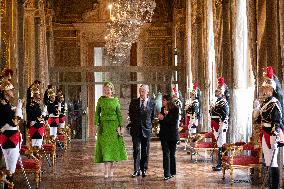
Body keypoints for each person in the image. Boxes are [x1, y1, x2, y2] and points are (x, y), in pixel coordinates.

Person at [94, 81, 127, 178]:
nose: (107, 91)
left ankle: (111, 170)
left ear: (112, 90)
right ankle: (105, 170)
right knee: (105, 149)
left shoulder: (116, 100)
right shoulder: (101, 100)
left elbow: (119, 114)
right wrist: (97, 124)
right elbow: (97, 113)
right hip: (104, 126)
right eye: (105, 90)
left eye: (108, 89)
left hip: (114, 127)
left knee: (113, 150)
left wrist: (121, 126)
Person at [255, 79, 283, 189]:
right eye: (264, 89)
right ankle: (269, 184)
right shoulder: (264, 103)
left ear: (271, 90)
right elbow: (258, 119)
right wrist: (256, 110)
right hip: (264, 132)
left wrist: (276, 135)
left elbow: (277, 121)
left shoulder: (275, 103)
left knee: (273, 161)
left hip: (272, 134)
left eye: (266, 89)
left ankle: (275, 186)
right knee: (267, 160)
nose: (264, 91)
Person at [128, 84, 155, 177]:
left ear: (147, 92)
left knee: (145, 150)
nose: (141, 93)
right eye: (140, 91)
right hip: (135, 130)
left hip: (146, 130)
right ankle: (136, 170)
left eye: (143, 91)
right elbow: (130, 114)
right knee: (136, 149)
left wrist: (148, 125)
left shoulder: (152, 103)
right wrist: (134, 123)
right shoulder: (134, 102)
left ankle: (144, 169)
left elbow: (152, 117)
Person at [0, 80, 23, 186]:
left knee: (10, 168)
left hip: (10, 137)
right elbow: (14, 123)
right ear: (5, 92)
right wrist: (18, 109)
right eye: (11, 90)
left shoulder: (6, 104)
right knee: (10, 169)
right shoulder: (3, 105)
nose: (13, 91)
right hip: (9, 138)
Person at [158, 95, 179, 180]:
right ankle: (167, 173)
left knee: (172, 154)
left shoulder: (175, 109)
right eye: (163, 100)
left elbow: (174, 121)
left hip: (173, 134)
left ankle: (172, 171)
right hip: (164, 134)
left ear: (168, 101)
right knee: (166, 153)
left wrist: (165, 117)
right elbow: (161, 121)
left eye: (164, 100)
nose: (163, 102)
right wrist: (162, 118)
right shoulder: (162, 109)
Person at [210, 87, 229, 171]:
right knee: (219, 144)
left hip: (220, 124)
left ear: (221, 92)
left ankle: (221, 163)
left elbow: (225, 115)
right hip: (215, 124)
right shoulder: (217, 101)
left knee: (221, 143)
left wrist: (222, 125)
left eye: (217, 91)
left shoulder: (223, 102)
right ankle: (219, 162)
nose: (215, 92)